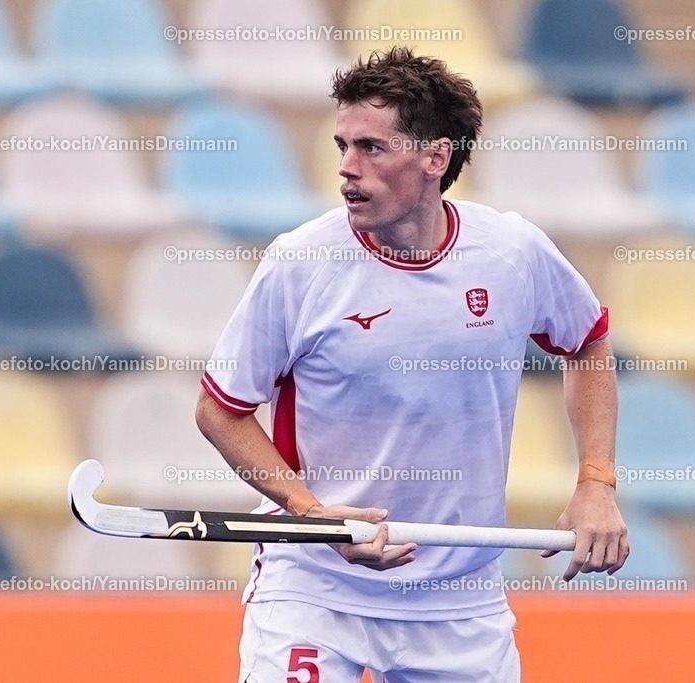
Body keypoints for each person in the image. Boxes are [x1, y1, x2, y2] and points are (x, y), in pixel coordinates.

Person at [196, 47, 627, 682]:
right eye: (342, 145)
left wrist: (595, 483)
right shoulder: (299, 263)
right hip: (315, 590)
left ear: (435, 157)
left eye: (371, 148)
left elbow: (587, 345)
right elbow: (220, 411)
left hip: (460, 605)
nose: (347, 168)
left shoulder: (512, 252)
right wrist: (310, 515)